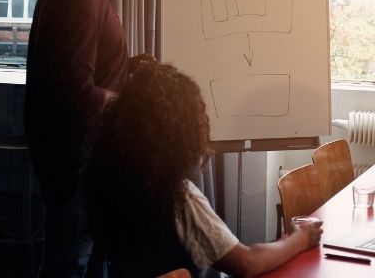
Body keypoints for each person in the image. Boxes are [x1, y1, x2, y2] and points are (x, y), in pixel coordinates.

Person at [84, 61, 322, 276]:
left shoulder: (108, 180)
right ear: (184, 133)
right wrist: (300, 238)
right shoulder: (177, 197)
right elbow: (247, 264)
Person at [24, 0, 133, 277]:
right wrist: (126, 101)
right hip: (75, 164)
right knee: (69, 262)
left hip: (74, 159)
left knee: (73, 256)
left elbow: (84, 68)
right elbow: (74, 90)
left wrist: (129, 66)